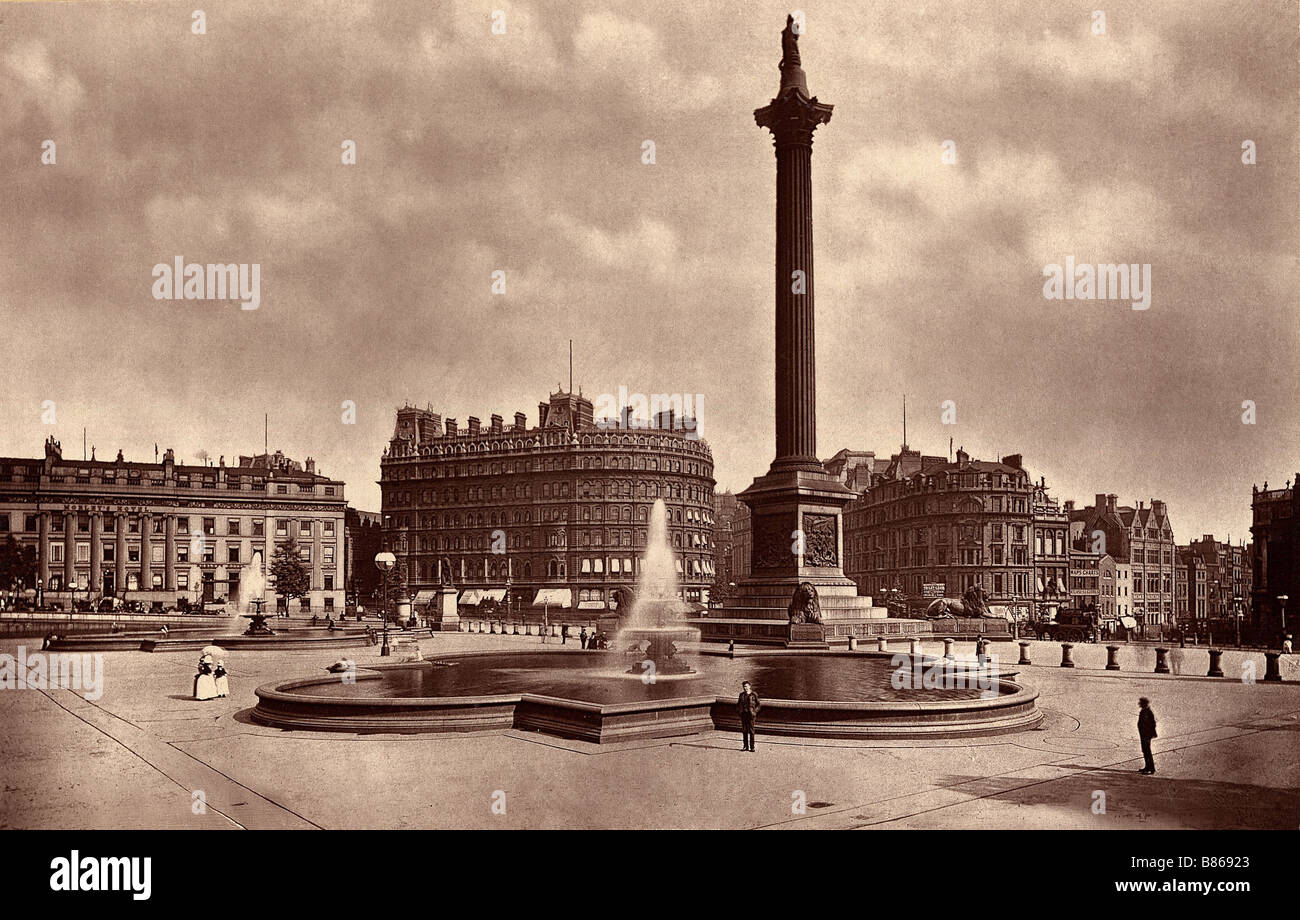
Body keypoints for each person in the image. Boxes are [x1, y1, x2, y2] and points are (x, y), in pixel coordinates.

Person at [738, 681, 761, 752]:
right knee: (744, 731)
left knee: (751, 731)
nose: (745, 688)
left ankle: (752, 747)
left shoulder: (754, 694)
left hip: (751, 715)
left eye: (747, 686)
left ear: (750, 686)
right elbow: (738, 704)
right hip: (744, 715)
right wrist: (740, 711)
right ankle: (745, 746)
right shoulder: (741, 695)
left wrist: (754, 712)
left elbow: (758, 705)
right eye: (744, 686)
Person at [1137, 697, 1157, 775]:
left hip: (1146, 735)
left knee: (1147, 751)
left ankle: (1151, 768)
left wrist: (1149, 734)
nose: (1139, 704)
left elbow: (1152, 724)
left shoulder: (1147, 712)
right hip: (1144, 734)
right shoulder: (1145, 711)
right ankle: (1147, 767)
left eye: (1140, 703)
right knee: (1145, 751)